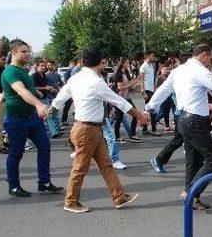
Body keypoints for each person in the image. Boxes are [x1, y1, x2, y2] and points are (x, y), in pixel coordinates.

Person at [145, 44, 212, 209]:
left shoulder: (178, 70)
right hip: (194, 121)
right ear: (203, 55)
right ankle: (191, 192)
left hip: (183, 119)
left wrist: (148, 108)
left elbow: (162, 91)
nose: (211, 63)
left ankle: (192, 198)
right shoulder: (199, 71)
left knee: (193, 161)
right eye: (210, 59)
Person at [50, 46, 148, 213]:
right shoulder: (96, 82)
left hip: (89, 129)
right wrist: (139, 115)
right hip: (87, 130)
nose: (104, 65)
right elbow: (118, 101)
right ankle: (71, 202)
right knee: (80, 168)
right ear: (97, 62)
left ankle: (119, 197)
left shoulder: (76, 78)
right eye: (103, 62)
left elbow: (60, 98)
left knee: (106, 165)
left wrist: (50, 110)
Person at [1, 39, 64, 197]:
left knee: (45, 147)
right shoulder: (10, 71)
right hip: (16, 119)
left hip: (32, 118)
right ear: (14, 53)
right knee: (16, 153)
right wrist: (38, 104)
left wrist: (36, 91)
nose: (28, 54)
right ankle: (14, 186)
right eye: (24, 51)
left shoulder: (23, 71)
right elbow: (21, 91)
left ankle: (44, 183)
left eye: (28, 51)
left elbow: (26, 88)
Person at [112, 58, 142, 143]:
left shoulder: (127, 73)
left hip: (127, 97)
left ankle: (132, 134)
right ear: (123, 63)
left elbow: (130, 87)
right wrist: (131, 84)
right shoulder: (119, 74)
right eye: (128, 62)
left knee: (135, 113)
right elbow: (120, 88)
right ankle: (117, 136)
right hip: (120, 98)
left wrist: (136, 84)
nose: (129, 63)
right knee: (119, 118)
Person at [32, 61, 61, 138]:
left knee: (49, 114)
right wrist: (45, 88)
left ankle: (55, 131)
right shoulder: (34, 75)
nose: (43, 67)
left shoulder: (44, 75)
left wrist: (50, 88)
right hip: (37, 99)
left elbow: (45, 86)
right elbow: (34, 88)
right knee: (41, 116)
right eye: (41, 66)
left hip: (45, 97)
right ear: (37, 67)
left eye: (44, 66)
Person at [139, 51, 161, 136]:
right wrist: (143, 92)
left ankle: (145, 129)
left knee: (148, 110)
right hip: (147, 90)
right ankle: (153, 130)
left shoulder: (151, 66)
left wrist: (155, 88)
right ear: (147, 56)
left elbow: (152, 78)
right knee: (151, 110)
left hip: (151, 90)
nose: (153, 57)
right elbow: (141, 80)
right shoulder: (143, 67)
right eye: (152, 56)